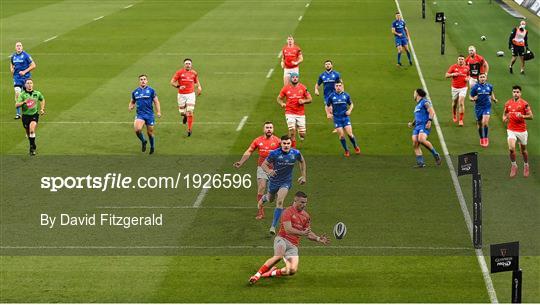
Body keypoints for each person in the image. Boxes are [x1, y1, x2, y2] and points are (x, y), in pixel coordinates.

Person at [249, 191, 330, 285]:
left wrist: (318, 238)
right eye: (302, 202)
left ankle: (272, 273)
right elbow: (288, 229)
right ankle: (257, 275)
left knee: (291, 270)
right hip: (282, 239)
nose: (304, 205)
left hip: (293, 245)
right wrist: (302, 232)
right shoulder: (287, 211)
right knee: (278, 256)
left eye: (305, 203)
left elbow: (308, 233)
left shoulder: (306, 216)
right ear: (295, 201)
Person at [257, 135, 306, 235]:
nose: (286, 145)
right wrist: (269, 170)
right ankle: (264, 198)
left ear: (291, 144)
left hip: (286, 181)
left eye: (288, 143)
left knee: (279, 201)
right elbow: (263, 164)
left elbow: (302, 161)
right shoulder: (275, 153)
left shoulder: (295, 153)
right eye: (284, 143)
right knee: (270, 199)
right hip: (274, 181)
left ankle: (273, 226)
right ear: (281, 144)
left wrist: (303, 175)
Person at [233, 121, 281, 204]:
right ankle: (260, 212)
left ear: (273, 129)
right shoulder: (258, 140)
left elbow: (286, 151)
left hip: (274, 169)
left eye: (270, 128)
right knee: (261, 187)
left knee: (274, 194)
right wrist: (241, 162)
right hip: (262, 167)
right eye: (267, 128)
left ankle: (277, 208)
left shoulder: (278, 141)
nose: (269, 129)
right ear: (263, 129)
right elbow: (249, 151)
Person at [503, 85, 533, 178]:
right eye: (514, 92)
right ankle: (514, 165)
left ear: (520, 93)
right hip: (511, 129)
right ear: (512, 93)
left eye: (517, 92)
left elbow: (531, 116)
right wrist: (504, 118)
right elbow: (505, 113)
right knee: (511, 148)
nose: (515, 93)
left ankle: (526, 165)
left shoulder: (525, 104)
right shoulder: (508, 103)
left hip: (521, 130)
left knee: (523, 151)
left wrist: (523, 116)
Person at [407, 88, 442, 168]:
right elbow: (417, 117)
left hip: (424, 125)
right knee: (415, 143)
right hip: (417, 126)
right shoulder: (417, 106)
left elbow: (431, 111)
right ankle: (421, 163)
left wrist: (429, 121)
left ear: (418, 94)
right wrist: (412, 123)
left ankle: (435, 154)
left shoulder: (425, 102)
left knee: (421, 139)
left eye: (414, 93)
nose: (413, 95)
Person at [325, 81, 361, 157]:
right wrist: (328, 113)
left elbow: (351, 104)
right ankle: (346, 150)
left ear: (342, 86)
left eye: (339, 86)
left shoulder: (346, 95)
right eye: (337, 86)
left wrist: (349, 110)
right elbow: (327, 105)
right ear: (334, 87)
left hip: (345, 118)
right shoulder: (331, 96)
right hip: (337, 119)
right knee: (341, 136)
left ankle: (355, 146)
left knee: (350, 134)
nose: (338, 87)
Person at [277, 72, 312, 148]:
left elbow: (310, 99)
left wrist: (303, 101)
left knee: (303, 134)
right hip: (289, 112)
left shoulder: (303, 87)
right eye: (293, 77)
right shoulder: (286, 88)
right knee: (292, 131)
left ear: (298, 78)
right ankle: (292, 149)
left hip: (300, 113)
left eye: (296, 77)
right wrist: (282, 103)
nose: (295, 78)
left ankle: (300, 133)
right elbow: (279, 98)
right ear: (291, 78)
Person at [129, 74, 161, 154]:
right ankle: (143, 141)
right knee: (137, 129)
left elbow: (156, 101)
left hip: (149, 115)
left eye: (144, 79)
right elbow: (132, 101)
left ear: (147, 81)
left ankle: (152, 146)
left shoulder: (151, 90)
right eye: (141, 79)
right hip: (140, 114)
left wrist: (158, 111)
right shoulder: (135, 92)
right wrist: (131, 106)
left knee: (150, 133)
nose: (143, 81)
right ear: (139, 81)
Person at [170, 58, 202, 137]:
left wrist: (199, 87)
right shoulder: (179, 72)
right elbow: (172, 82)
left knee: (190, 111)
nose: (188, 65)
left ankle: (189, 129)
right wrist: (178, 86)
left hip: (191, 94)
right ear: (184, 65)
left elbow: (196, 81)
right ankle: (184, 116)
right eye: (186, 63)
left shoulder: (194, 73)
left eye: (189, 63)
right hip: (181, 95)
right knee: (182, 112)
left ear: (191, 65)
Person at [14, 79, 45, 156]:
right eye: (28, 83)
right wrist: (24, 102)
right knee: (28, 133)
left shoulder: (37, 93)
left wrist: (42, 109)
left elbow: (42, 99)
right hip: (25, 116)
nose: (29, 84)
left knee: (32, 130)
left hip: (34, 115)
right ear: (25, 85)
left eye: (31, 83)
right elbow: (16, 105)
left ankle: (32, 148)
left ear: (33, 84)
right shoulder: (22, 94)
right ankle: (33, 144)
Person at [470, 73, 498, 147]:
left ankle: (485, 138)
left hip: (487, 106)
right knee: (479, 124)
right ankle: (481, 138)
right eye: (481, 77)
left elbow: (491, 93)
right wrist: (473, 99)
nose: (482, 78)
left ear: (486, 78)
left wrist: (494, 99)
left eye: (483, 77)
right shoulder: (475, 87)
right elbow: (470, 96)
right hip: (478, 107)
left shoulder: (489, 86)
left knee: (485, 123)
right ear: (478, 78)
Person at [10, 42, 36, 120]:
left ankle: (30, 110)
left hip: (26, 78)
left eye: (20, 46)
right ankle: (18, 113)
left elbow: (33, 65)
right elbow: (11, 64)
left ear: (22, 47)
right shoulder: (13, 56)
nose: (19, 47)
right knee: (17, 93)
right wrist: (11, 69)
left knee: (27, 95)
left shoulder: (26, 55)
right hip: (17, 78)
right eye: (17, 46)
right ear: (15, 47)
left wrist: (24, 71)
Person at [445, 55, 470, 126]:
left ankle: (461, 120)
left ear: (464, 60)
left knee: (461, 102)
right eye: (459, 59)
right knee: (454, 103)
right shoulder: (453, 67)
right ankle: (454, 114)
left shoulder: (467, 68)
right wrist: (453, 74)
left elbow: (469, 75)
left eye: (462, 59)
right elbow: (446, 75)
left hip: (463, 88)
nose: (461, 60)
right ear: (457, 60)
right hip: (455, 88)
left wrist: (467, 78)